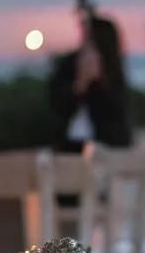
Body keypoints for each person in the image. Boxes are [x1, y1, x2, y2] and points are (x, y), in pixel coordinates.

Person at [49, 11, 133, 150]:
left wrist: (99, 80)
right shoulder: (68, 68)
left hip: (109, 149)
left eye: (89, 41)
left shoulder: (114, 78)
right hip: (71, 150)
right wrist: (81, 83)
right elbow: (58, 107)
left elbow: (117, 118)